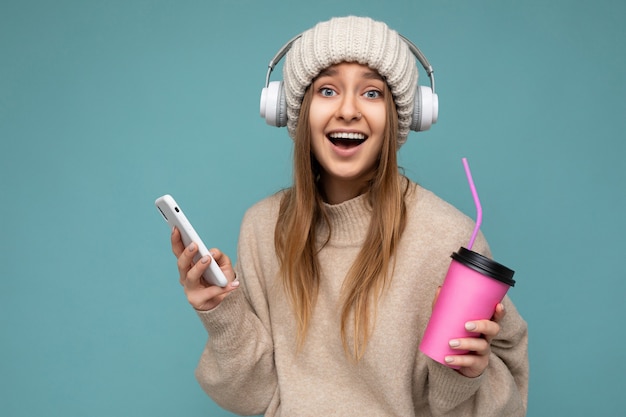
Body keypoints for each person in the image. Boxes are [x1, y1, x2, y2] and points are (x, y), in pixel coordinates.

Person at [171, 16, 528, 417]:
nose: (348, 111)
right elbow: (252, 396)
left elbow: (499, 402)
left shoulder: (452, 238)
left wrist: (466, 374)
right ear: (294, 110)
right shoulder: (262, 227)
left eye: (372, 93)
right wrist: (222, 311)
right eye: (327, 89)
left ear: (401, 115)